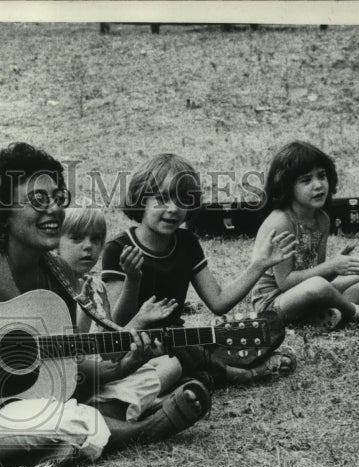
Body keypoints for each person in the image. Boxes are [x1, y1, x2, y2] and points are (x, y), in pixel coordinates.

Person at [0, 142, 213, 467]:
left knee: (151, 371)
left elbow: (66, 366)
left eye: (57, 198)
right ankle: (141, 430)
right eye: (38, 199)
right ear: (3, 212)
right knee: (76, 419)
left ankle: (83, 430)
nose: (53, 209)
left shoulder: (59, 276)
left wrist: (123, 366)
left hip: (17, 404)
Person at [101, 152, 302, 383]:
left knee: (248, 332)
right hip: (133, 344)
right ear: (140, 200)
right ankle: (242, 374)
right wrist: (133, 280)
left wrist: (259, 265)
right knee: (185, 352)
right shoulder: (118, 249)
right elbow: (116, 326)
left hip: (177, 340)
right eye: (162, 198)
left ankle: (202, 370)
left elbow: (219, 302)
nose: (173, 209)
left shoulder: (187, 243)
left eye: (182, 200)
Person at [250, 141, 359, 330]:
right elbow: (285, 282)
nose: (318, 185)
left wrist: (336, 266)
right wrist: (331, 266)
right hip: (273, 304)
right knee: (318, 286)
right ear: (287, 186)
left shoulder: (322, 219)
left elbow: (318, 272)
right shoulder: (281, 222)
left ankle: (326, 315)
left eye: (322, 176)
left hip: (310, 290)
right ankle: (358, 311)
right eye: (306, 180)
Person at [57, 205, 183, 422]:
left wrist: (138, 316)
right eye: (77, 238)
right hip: (74, 378)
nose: (88, 247)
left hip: (104, 372)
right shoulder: (53, 286)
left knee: (171, 364)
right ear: (55, 244)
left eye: (95, 239)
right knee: (142, 378)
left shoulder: (96, 285)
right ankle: (128, 406)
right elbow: (70, 352)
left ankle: (123, 405)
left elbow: (110, 349)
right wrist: (86, 312)